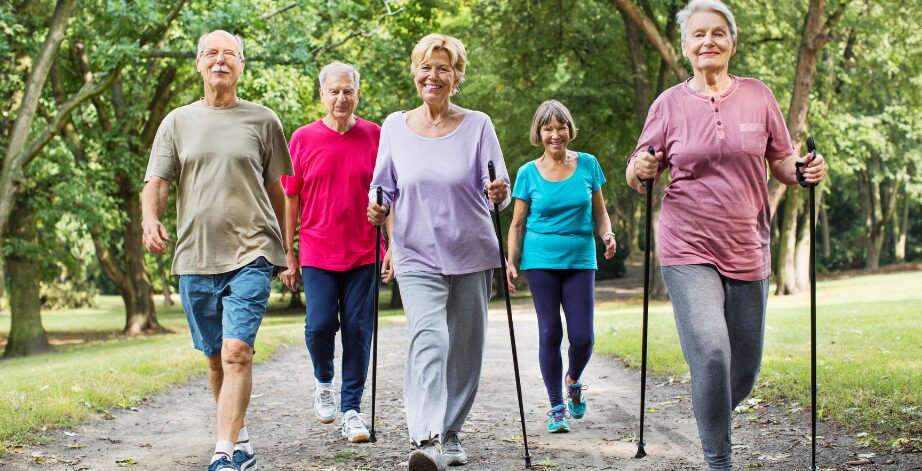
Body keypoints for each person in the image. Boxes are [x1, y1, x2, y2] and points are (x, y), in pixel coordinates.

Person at [625, 1, 826, 469]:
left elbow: (781, 161)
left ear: (732, 43)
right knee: (712, 355)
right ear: (685, 46)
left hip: (748, 245)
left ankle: (708, 407)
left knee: (743, 370)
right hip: (686, 246)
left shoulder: (758, 96)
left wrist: (803, 169)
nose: (708, 42)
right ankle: (719, 460)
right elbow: (638, 175)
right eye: (698, 35)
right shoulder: (668, 105)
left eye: (718, 34)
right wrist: (642, 167)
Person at [141, 30, 293, 471]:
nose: (220, 60)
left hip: (252, 250)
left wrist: (285, 247)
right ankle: (239, 435)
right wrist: (151, 220)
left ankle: (223, 452)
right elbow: (157, 184)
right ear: (198, 64)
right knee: (214, 359)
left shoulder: (263, 120)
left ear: (242, 65)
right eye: (211, 53)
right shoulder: (176, 122)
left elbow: (277, 189)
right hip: (195, 255)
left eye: (230, 54)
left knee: (236, 352)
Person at [366, 33, 510, 471]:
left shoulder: (478, 124)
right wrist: (376, 207)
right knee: (428, 338)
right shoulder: (394, 126)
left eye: (444, 68)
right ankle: (426, 437)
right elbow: (382, 186)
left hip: (471, 250)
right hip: (415, 251)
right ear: (415, 72)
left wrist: (499, 192)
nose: (434, 75)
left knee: (465, 348)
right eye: (426, 67)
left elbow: (499, 192)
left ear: (457, 77)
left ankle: (450, 433)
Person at [278, 61, 382, 443]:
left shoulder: (375, 136)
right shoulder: (303, 138)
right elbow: (291, 198)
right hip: (318, 251)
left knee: (358, 329)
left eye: (348, 91)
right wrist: (287, 253)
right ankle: (324, 380)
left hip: (364, 251)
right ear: (322, 95)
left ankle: (351, 410)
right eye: (334, 91)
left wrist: (392, 245)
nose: (341, 98)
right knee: (319, 325)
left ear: (357, 93)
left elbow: (390, 195)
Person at [505, 100, 616, 434]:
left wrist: (607, 234)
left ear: (570, 129)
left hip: (581, 258)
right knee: (550, 331)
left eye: (560, 127)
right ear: (538, 133)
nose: (555, 134)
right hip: (540, 261)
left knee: (583, 337)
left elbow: (599, 211)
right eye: (547, 128)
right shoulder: (527, 172)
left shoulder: (588, 165)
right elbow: (517, 223)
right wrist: (511, 261)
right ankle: (556, 406)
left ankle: (573, 380)